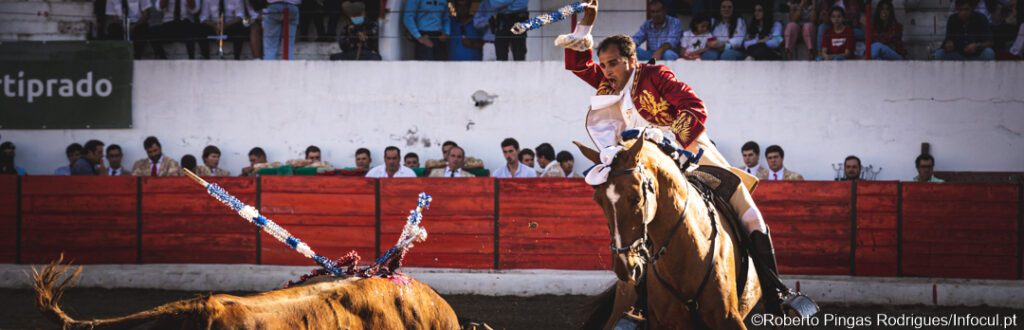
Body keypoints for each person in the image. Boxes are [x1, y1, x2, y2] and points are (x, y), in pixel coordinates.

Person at [564, 0, 814, 315]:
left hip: (689, 151)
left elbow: (694, 107)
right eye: (603, 64)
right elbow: (576, 63)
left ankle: (777, 292)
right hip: (644, 165)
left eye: (612, 63)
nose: (606, 71)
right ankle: (639, 307)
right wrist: (586, 22)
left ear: (631, 60)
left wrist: (668, 141)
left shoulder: (655, 74)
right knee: (632, 223)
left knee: (747, 211)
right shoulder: (607, 84)